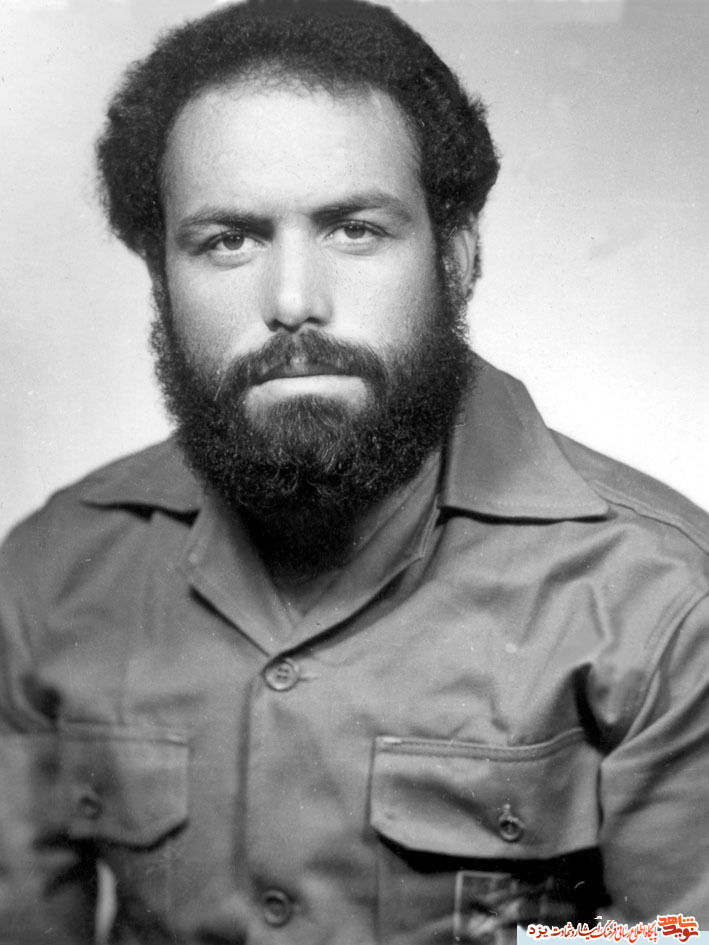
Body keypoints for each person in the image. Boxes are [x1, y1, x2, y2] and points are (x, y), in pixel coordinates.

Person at [0, 0, 707, 942]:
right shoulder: (50, 571)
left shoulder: (663, 599)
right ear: (160, 278)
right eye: (227, 240)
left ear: (456, 256)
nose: (294, 301)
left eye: (355, 229)